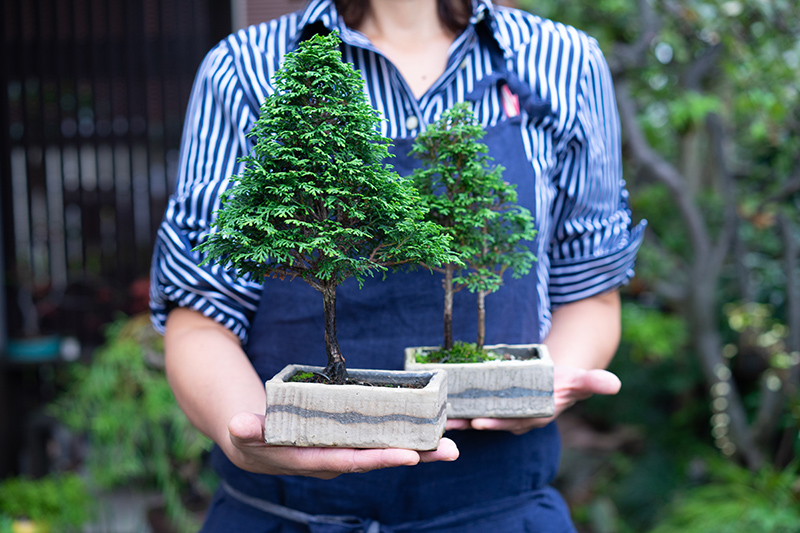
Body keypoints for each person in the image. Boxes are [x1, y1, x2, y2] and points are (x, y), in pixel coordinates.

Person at [149, 0, 645, 530]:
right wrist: (247, 433)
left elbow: (590, 289)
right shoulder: (246, 66)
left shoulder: (562, 61)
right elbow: (200, 310)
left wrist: (541, 386)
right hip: (281, 515)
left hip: (498, 512)